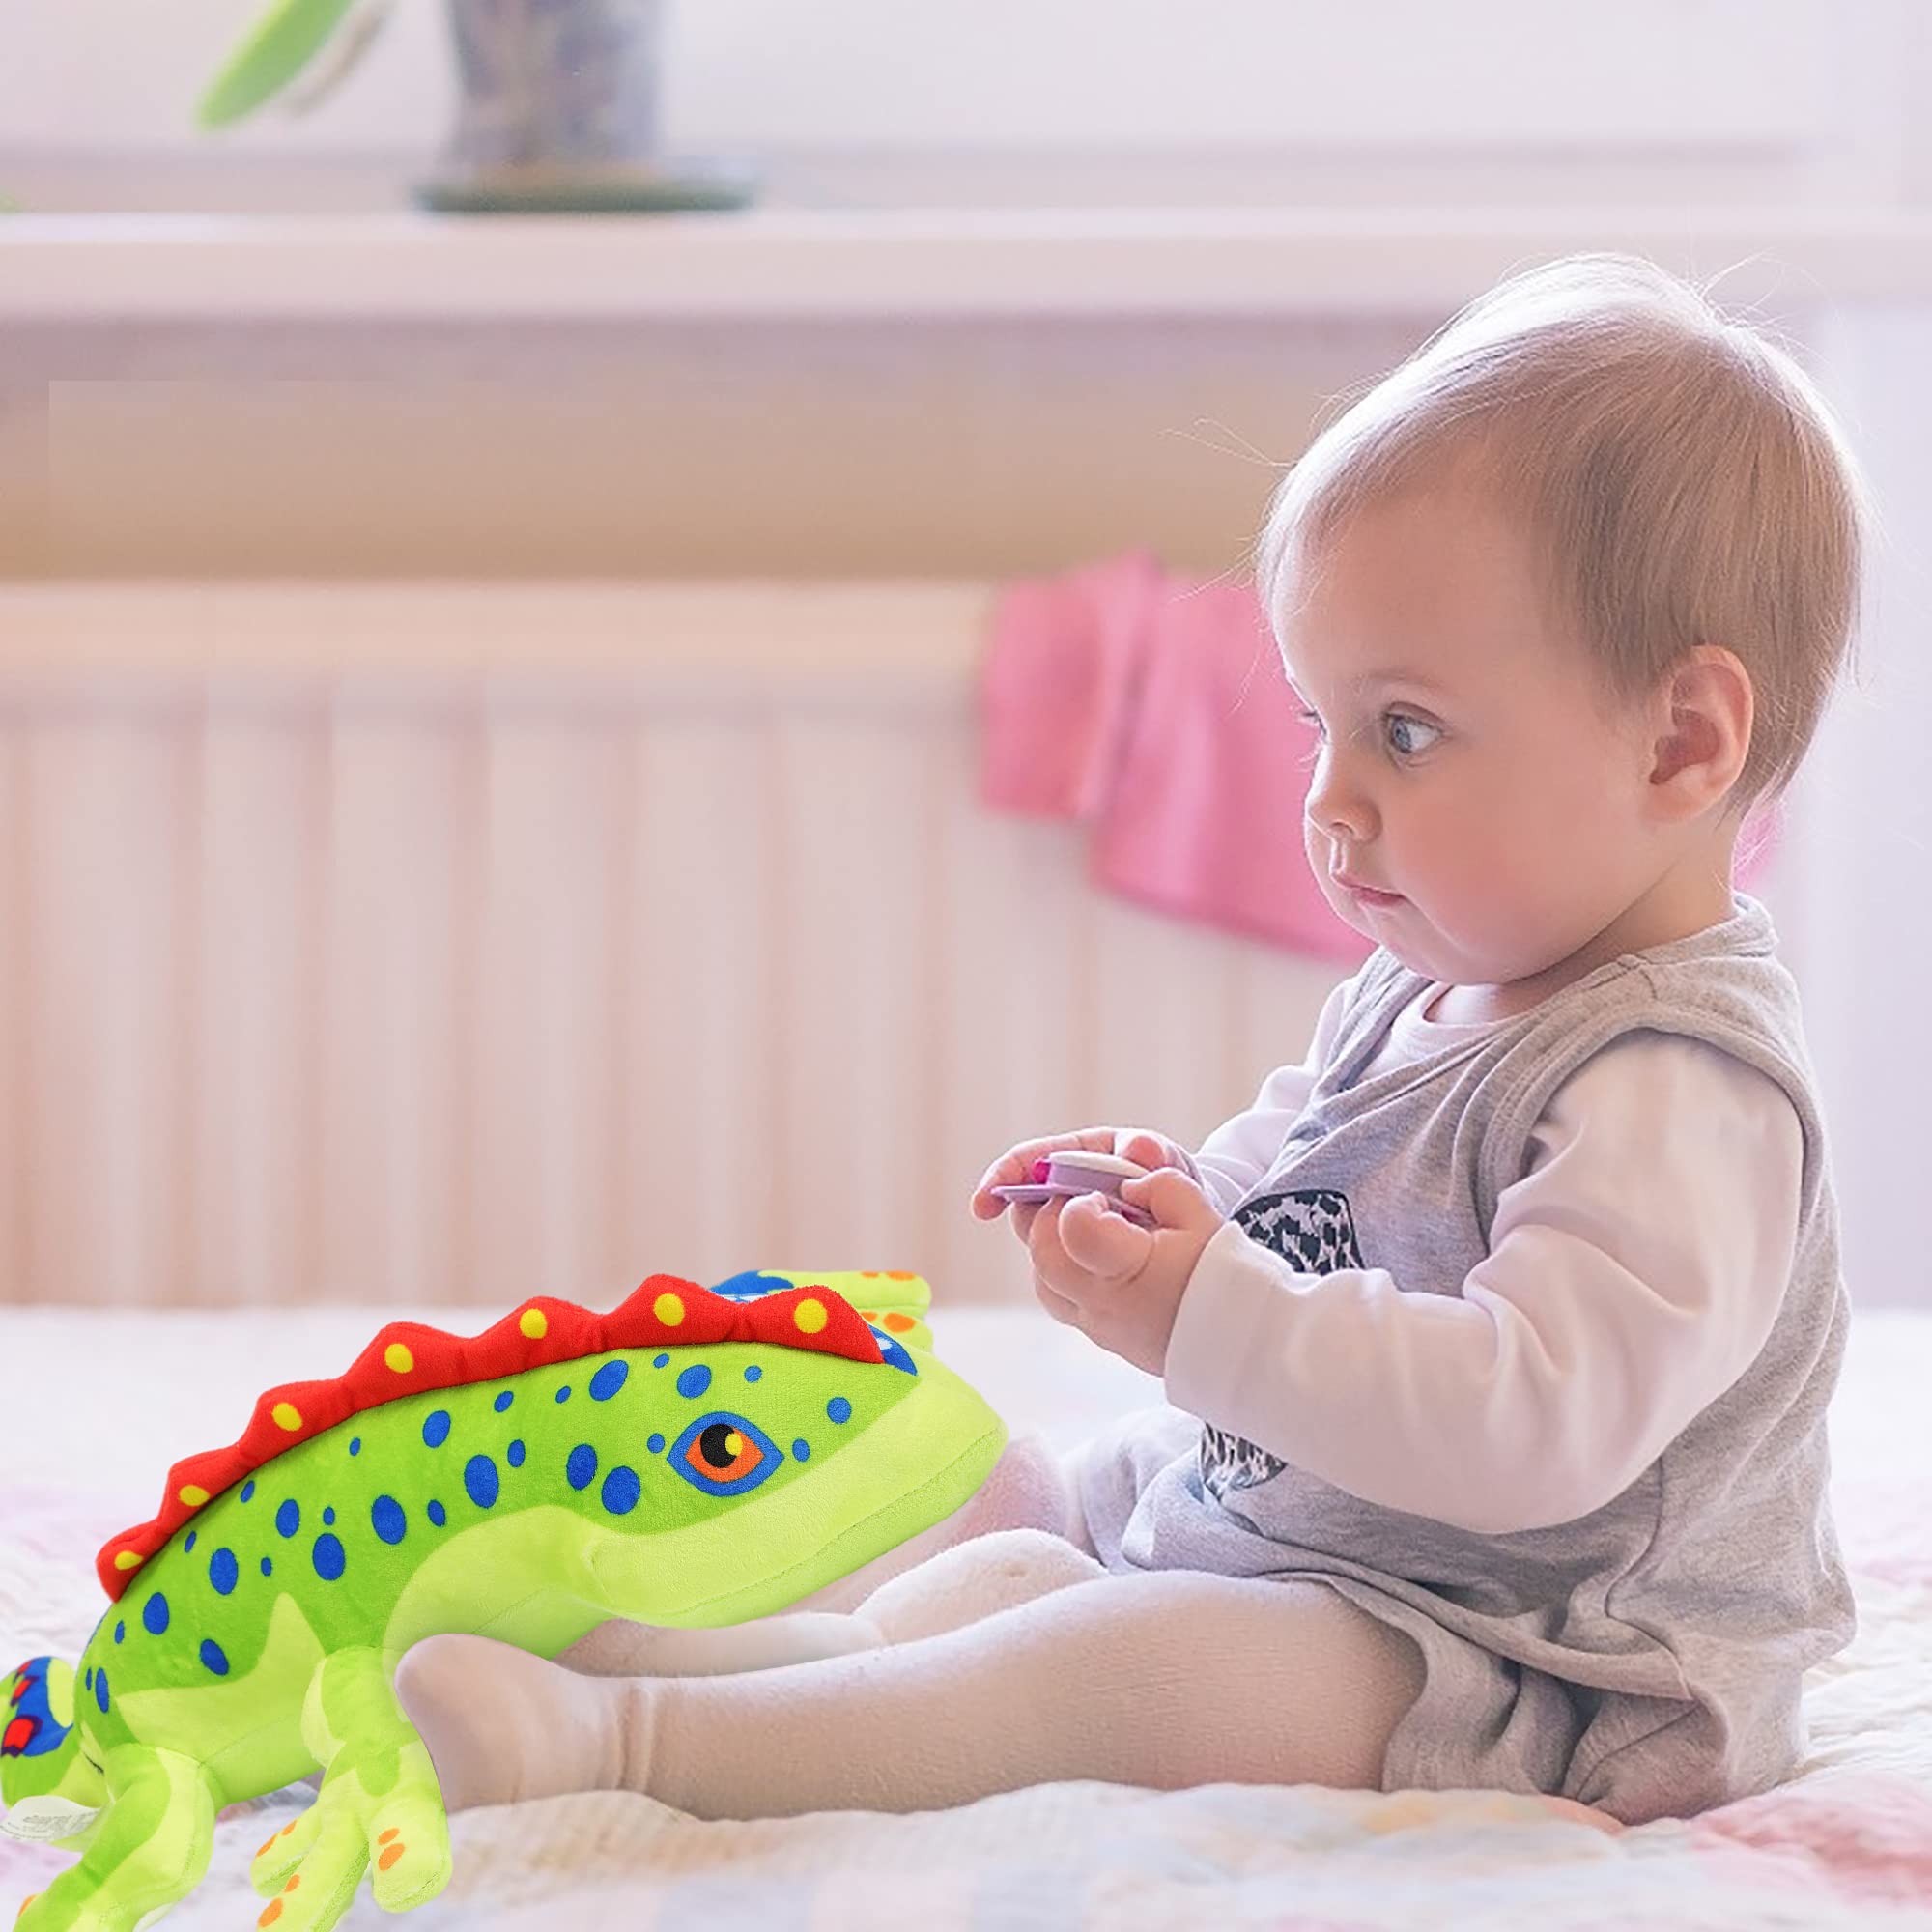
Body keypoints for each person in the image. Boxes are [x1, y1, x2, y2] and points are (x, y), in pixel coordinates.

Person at [394, 250, 1875, 1831]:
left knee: (1125, 1658)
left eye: (1408, 730)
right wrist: (1178, 1204)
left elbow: (1535, 1426)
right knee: (1017, 1541)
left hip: (1539, 1661)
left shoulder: (1680, 1087)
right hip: (1334, 1540)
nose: (1331, 799)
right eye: (1322, 725)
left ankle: (629, 1754)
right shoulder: (1437, 976)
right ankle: (749, 1670)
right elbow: (1309, 1168)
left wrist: (1207, 1317)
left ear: (1680, 740)